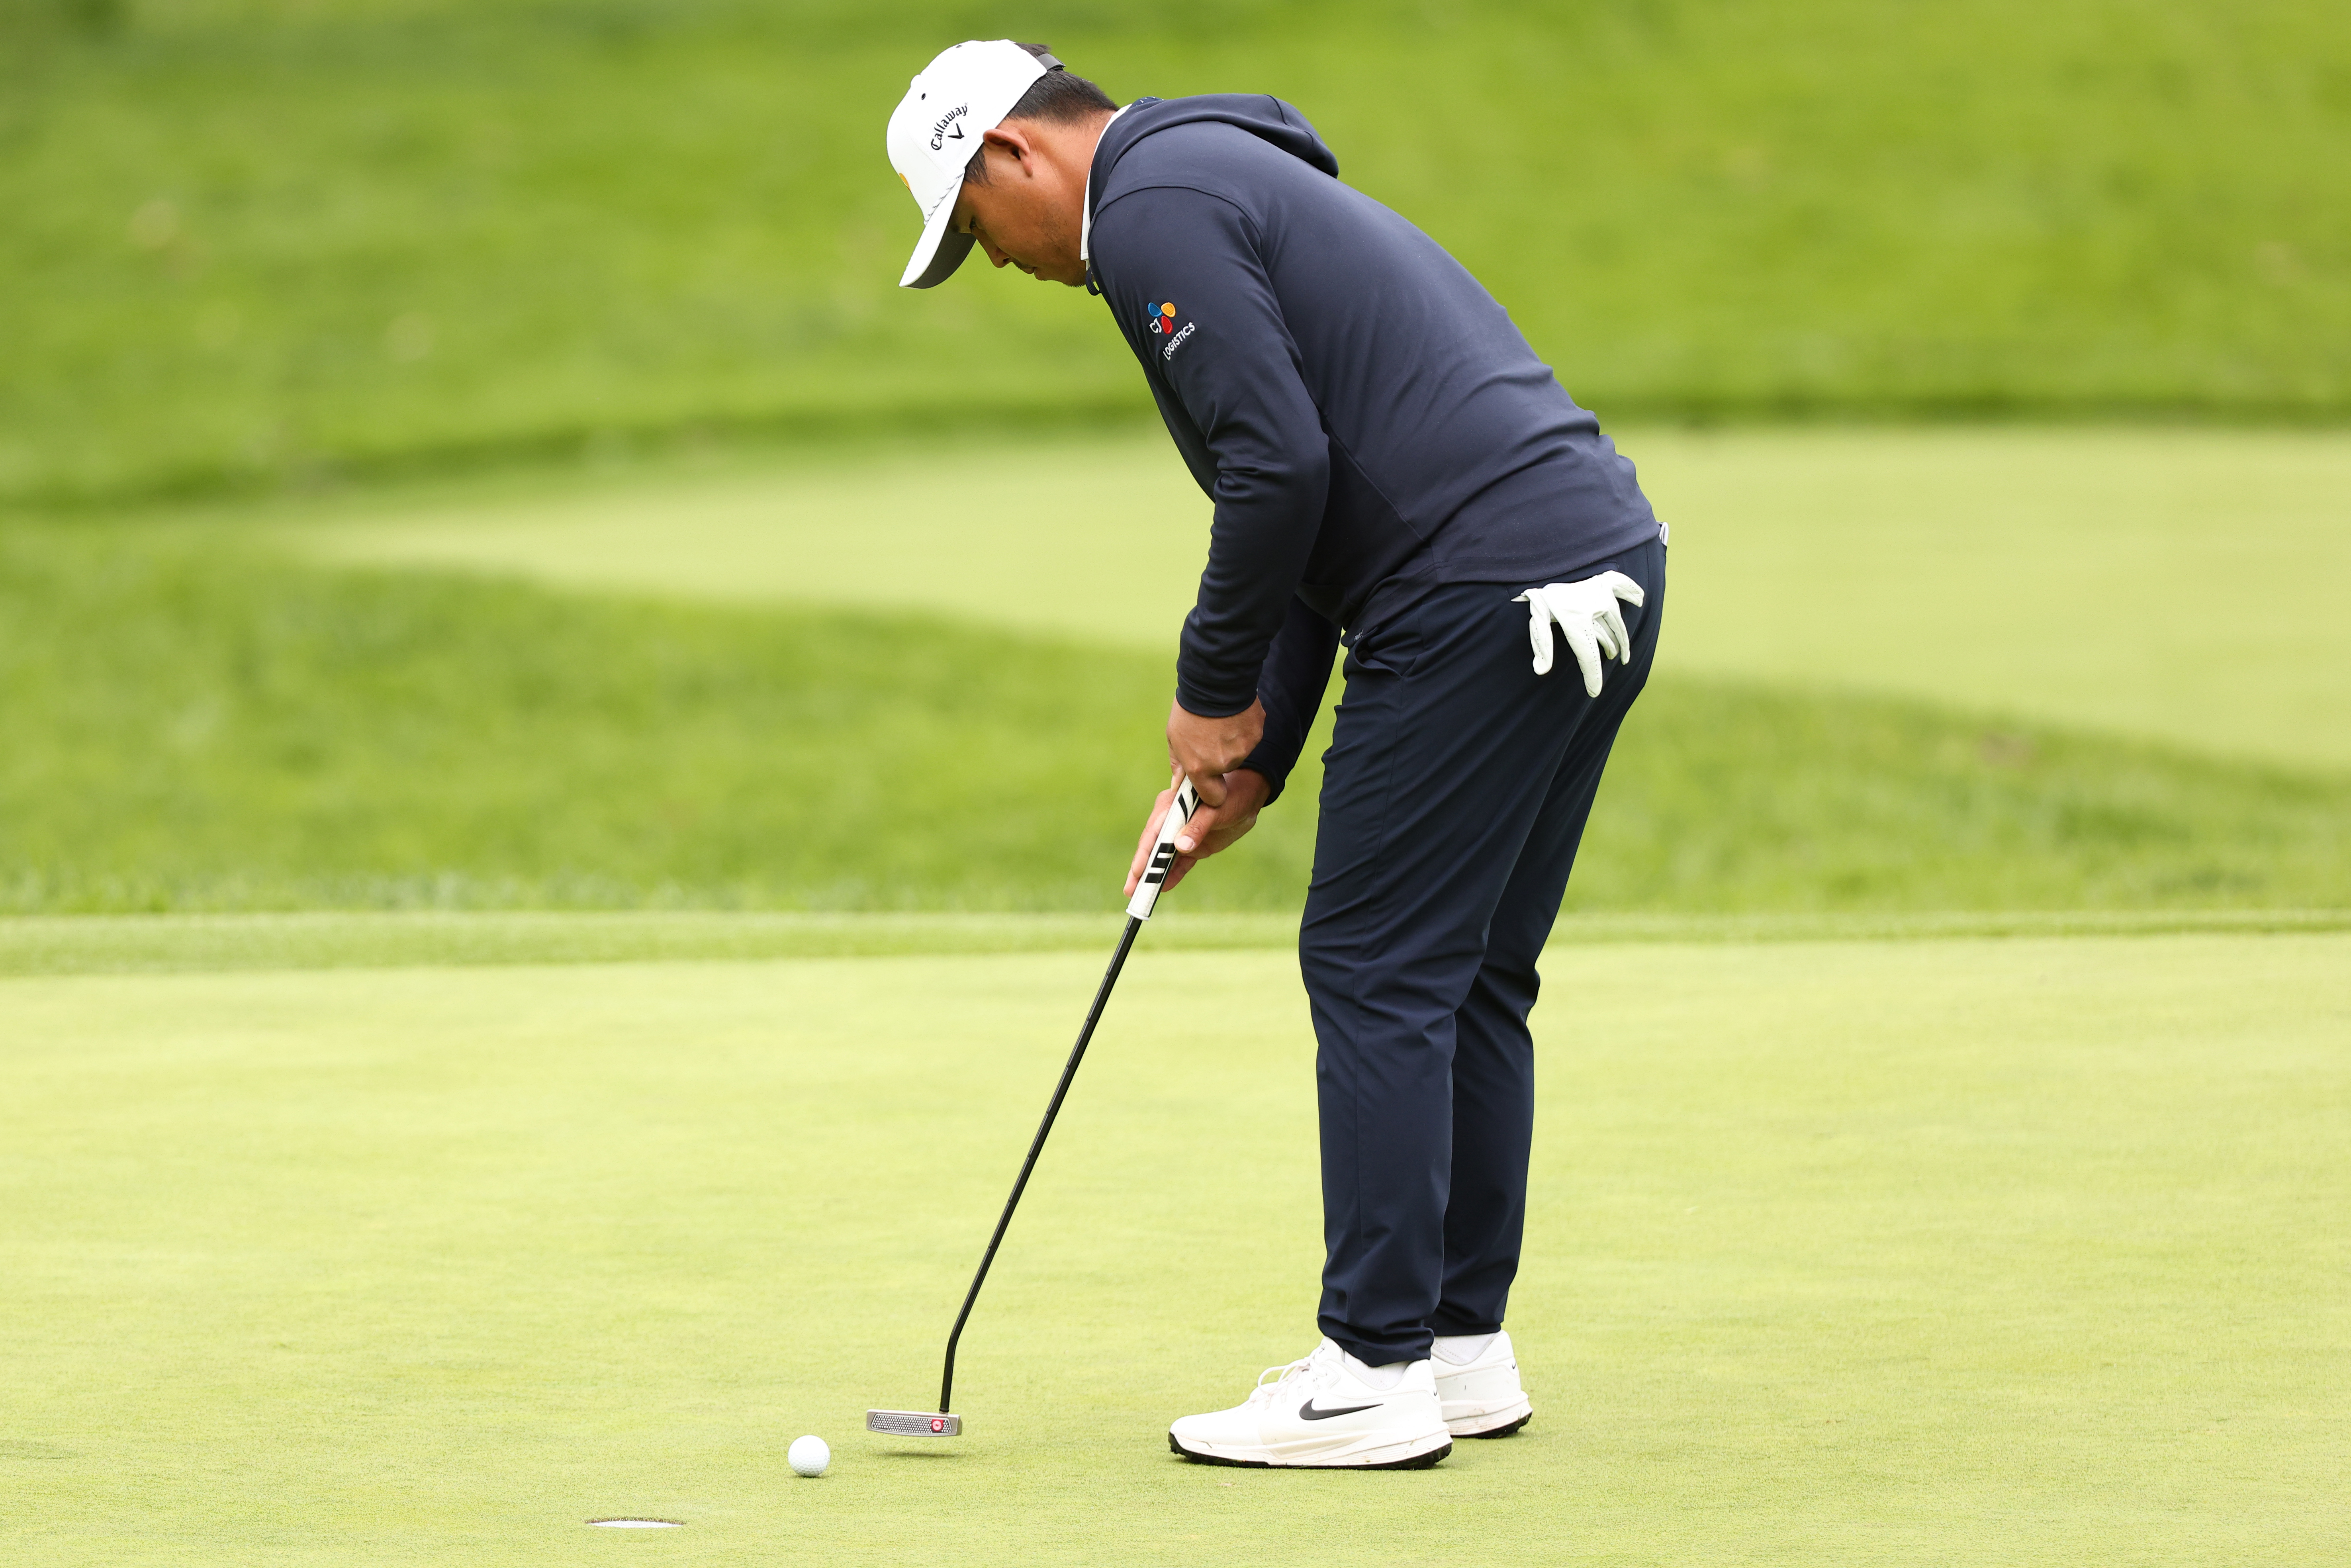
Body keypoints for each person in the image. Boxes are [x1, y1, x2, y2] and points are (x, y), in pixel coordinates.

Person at [884, 39, 1666, 1470]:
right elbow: (1317, 516)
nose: (990, 263)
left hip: (1477, 589)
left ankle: (1372, 1371)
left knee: (1374, 964)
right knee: (1470, 969)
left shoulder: (1143, 210)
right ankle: (1452, 1346)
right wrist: (1253, 765)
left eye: (971, 230)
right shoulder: (1212, 170)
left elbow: (1278, 471)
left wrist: (1207, 693)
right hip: (1594, 557)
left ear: (1011, 154)